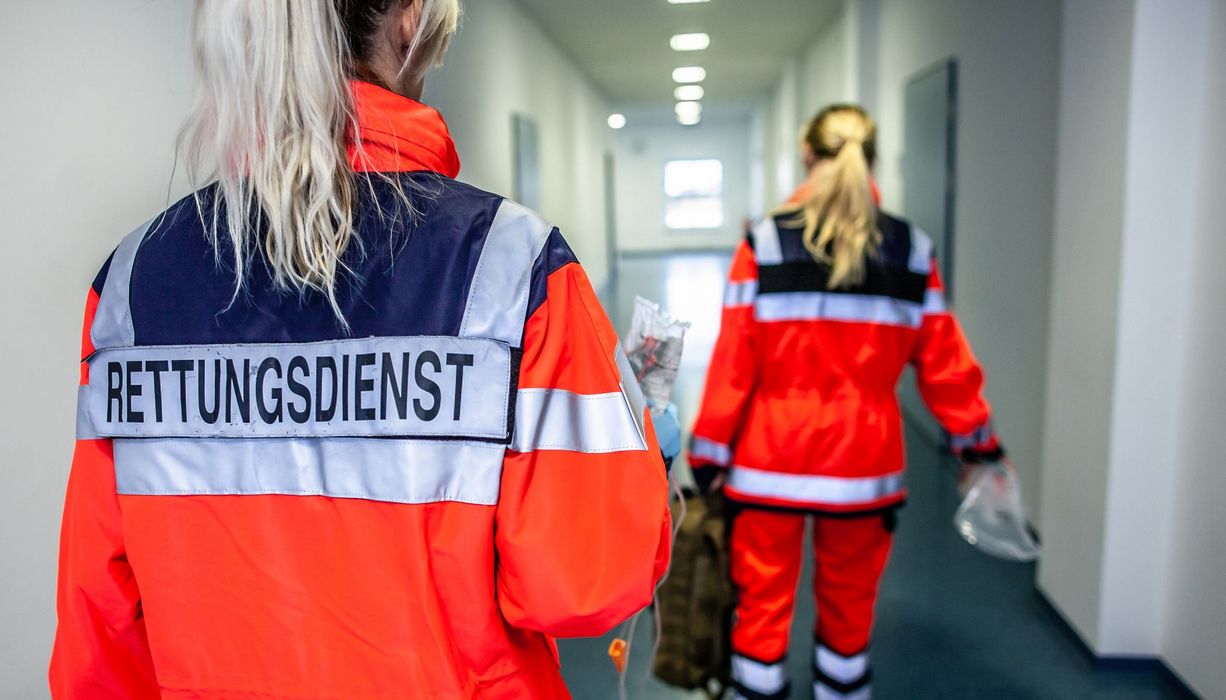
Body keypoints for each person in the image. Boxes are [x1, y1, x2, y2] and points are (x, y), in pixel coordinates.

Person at [50, 1, 672, 697]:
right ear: (409, 20)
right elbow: (582, 584)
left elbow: (99, 622)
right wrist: (642, 435)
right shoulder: (511, 262)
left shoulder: (132, 283)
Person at [689, 105, 1004, 700]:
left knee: (761, 606)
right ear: (873, 158)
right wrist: (977, 445)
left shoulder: (763, 244)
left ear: (808, 154)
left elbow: (734, 364)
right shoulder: (910, 250)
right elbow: (946, 365)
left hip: (769, 465)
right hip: (865, 467)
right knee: (850, 609)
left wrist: (707, 457)